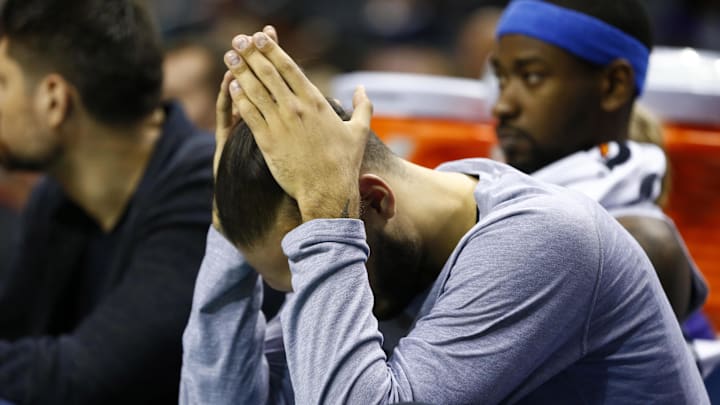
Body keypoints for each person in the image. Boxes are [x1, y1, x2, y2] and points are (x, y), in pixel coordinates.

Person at [179, 28, 708, 404]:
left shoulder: (541, 241)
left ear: (375, 200)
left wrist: (326, 233)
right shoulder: (372, 247)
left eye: (311, 266)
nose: (312, 294)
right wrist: (229, 234)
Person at [0, 0, 214, 403]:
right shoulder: (59, 194)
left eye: (2, 83)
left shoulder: (204, 191)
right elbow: (14, 332)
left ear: (54, 100)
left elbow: (85, 378)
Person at [490, 0, 707, 322]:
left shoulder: (640, 243)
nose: (502, 106)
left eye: (532, 76)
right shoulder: (499, 197)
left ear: (614, 85)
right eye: (502, 79)